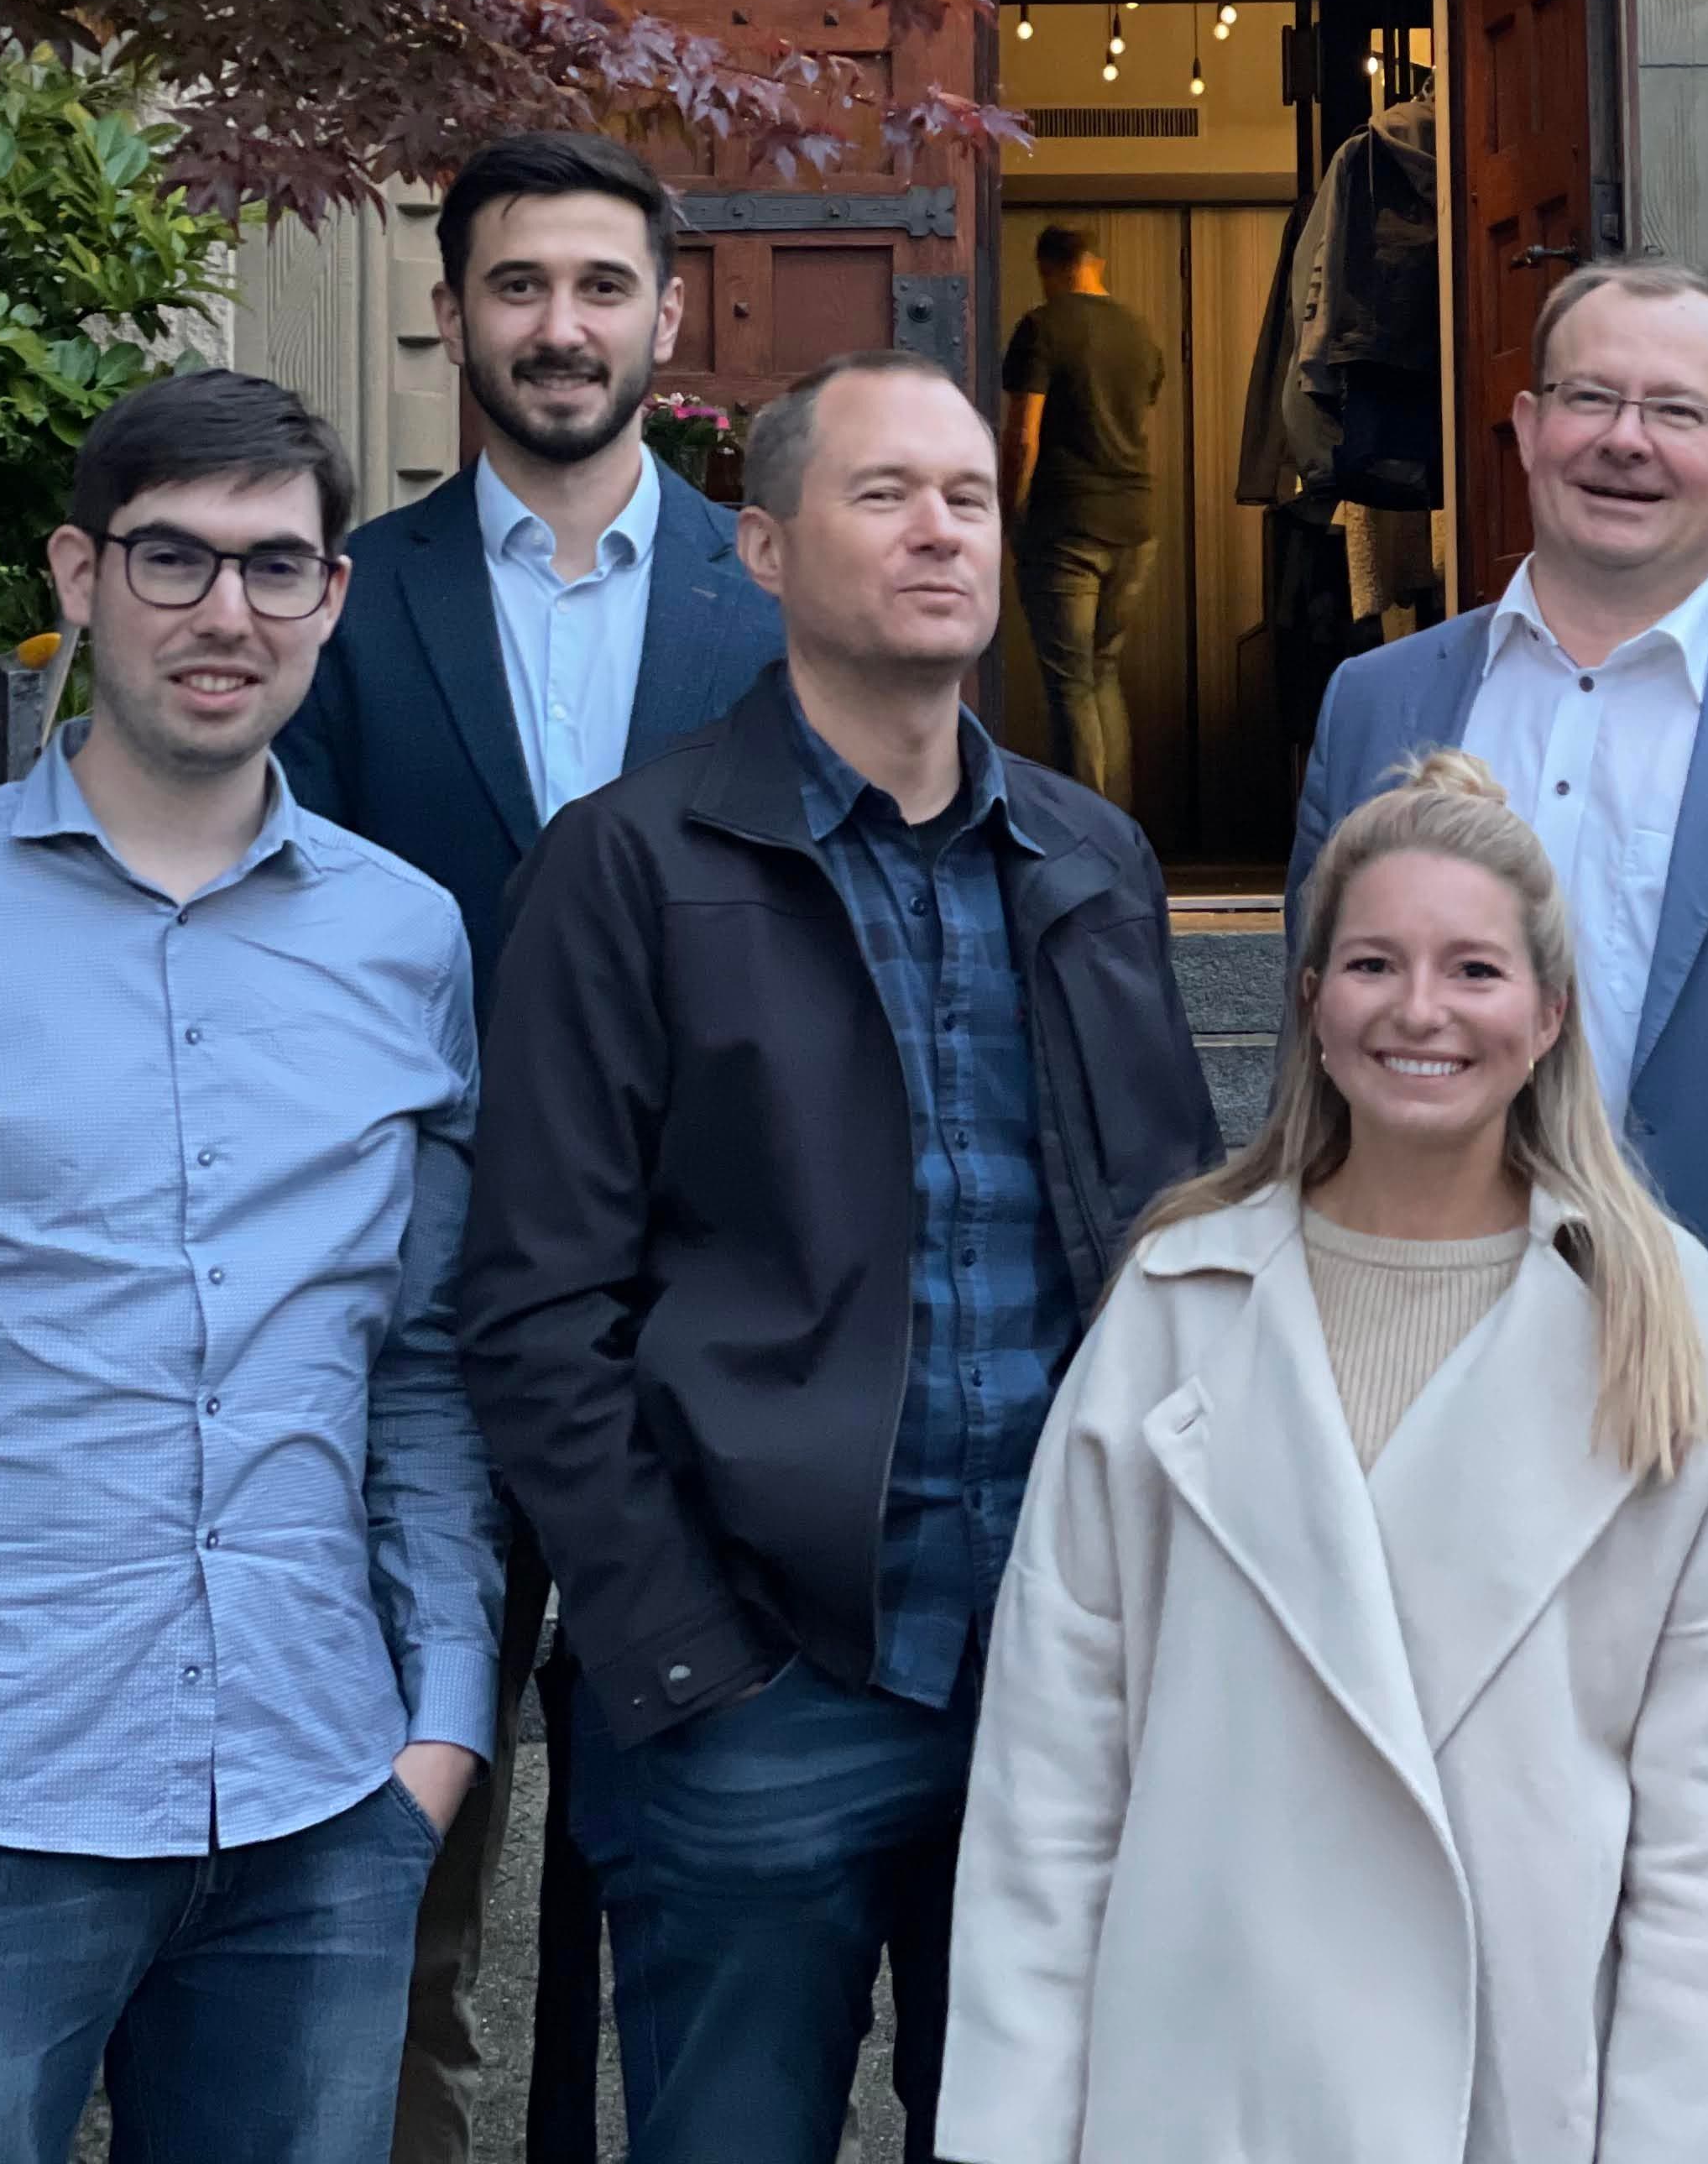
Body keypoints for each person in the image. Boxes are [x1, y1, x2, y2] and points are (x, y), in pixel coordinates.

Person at [457, 348, 1223, 2164]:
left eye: (965, 494)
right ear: (766, 549)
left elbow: (1181, 1252)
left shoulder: (1089, 858)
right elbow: (536, 1308)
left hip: (1063, 1675)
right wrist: (676, 1654)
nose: (940, 529)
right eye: (883, 495)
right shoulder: (627, 868)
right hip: (759, 1692)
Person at [1288, 254, 1708, 2164]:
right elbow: (1312, 1082)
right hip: (1398, 1433)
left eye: (1679, 411)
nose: (1627, 441)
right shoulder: (1376, 708)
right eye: (1591, 398)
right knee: (1407, 1947)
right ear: (1518, 432)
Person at [936, 749, 1708, 2162]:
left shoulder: (1655, 1321)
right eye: (1369, 963)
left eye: (1472, 969)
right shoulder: (1174, 1302)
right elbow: (1051, 1781)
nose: (1418, 1009)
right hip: (1201, 2087)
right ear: (1308, 1002)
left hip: (1512, 2091)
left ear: (1548, 1014)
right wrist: (1012, 2130)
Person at [0, 370, 504, 2164]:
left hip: (320, 1798)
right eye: (174, 558)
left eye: (276, 566)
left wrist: (444, 1731)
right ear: (79, 577)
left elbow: (421, 1359)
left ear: (333, 598)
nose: (225, 613)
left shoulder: (410, 942)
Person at [280, 128, 783, 2164]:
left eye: (600, 286)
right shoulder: (346, 599)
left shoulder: (781, 597)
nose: (558, 327)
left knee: (713, 1842)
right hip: (412, 1304)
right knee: (393, 1841)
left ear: (671, 320)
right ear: (450, 314)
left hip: (721, 1310)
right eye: (515, 285)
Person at [1000, 223, 1164, 809]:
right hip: (1135, 524)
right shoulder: (1139, 333)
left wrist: (1004, 514)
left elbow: (1024, 435)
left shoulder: (1042, 327)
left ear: (1047, 267)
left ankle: (1087, 835)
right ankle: (1118, 830)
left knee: (1070, 684)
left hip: (1067, 524)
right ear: (1097, 262)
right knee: (1103, 672)